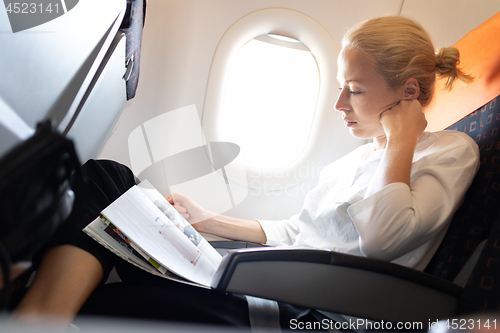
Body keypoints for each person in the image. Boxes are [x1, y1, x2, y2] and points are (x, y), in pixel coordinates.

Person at [11, 15, 479, 327]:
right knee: (109, 179)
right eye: (340, 88)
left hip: (308, 311)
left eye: (354, 90)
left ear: (410, 92)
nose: (340, 104)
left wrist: (401, 139)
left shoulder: (451, 151)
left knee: (95, 304)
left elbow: (383, 237)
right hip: (270, 279)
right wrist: (207, 221)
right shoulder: (359, 158)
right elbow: (298, 231)